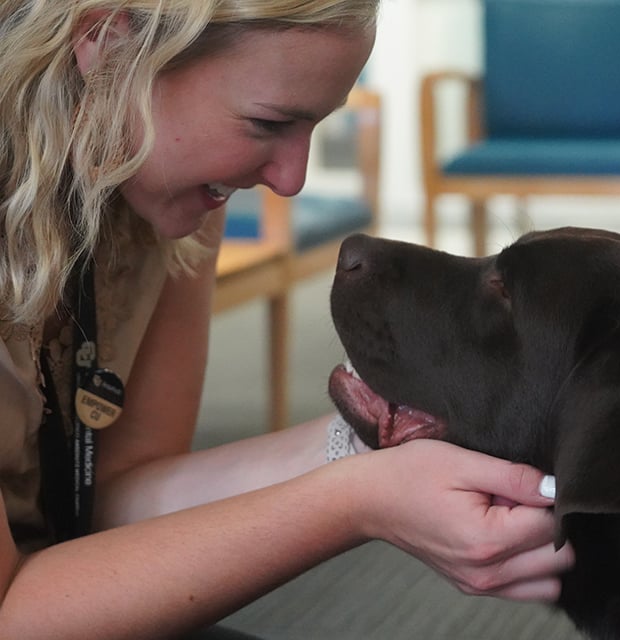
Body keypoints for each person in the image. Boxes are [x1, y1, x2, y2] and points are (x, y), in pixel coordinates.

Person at [0, 2, 574, 638]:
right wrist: (359, 501)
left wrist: (362, 446)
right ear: (107, 42)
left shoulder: (172, 188)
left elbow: (112, 501)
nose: (291, 179)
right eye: (268, 123)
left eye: (312, 127)